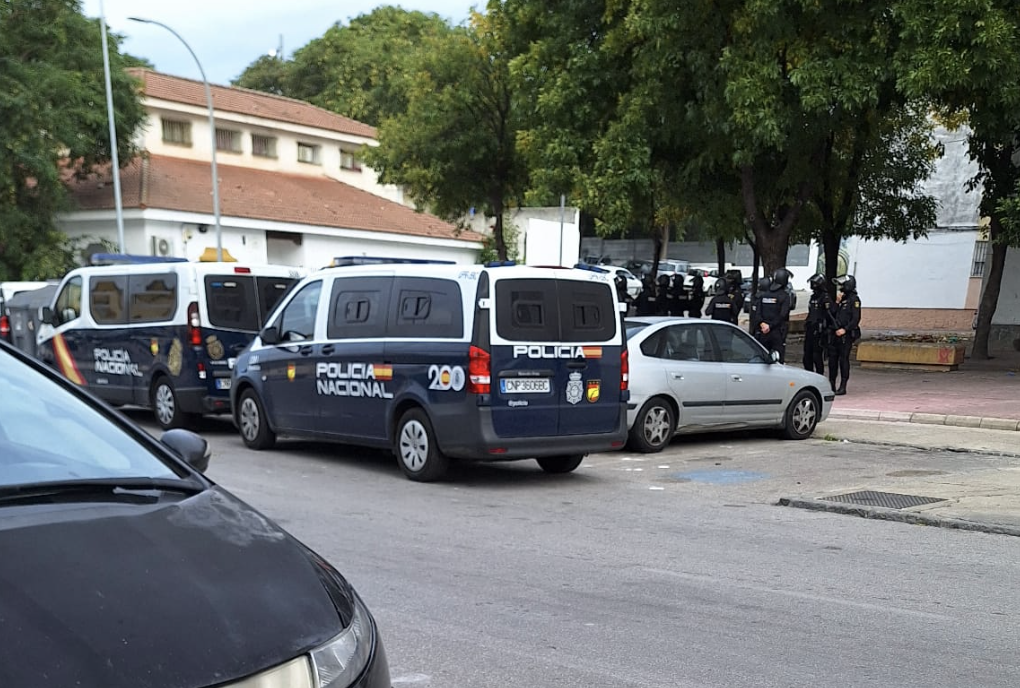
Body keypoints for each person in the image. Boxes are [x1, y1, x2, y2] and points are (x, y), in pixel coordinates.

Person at [829, 275, 862, 395]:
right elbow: (832, 313)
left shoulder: (854, 299)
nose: (841, 287)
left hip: (845, 335)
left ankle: (843, 386)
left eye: (843, 285)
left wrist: (845, 329)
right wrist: (836, 302)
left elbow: (856, 318)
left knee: (843, 360)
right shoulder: (842, 299)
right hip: (835, 334)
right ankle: (831, 383)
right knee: (832, 360)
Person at [754, 269, 792, 362]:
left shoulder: (764, 295)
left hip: (763, 332)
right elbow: (783, 315)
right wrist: (770, 326)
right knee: (777, 360)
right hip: (777, 332)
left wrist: (763, 324)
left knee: (762, 359)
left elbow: (757, 313)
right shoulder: (785, 296)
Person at [803, 273, 833, 374]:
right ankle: (808, 373)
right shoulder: (813, 297)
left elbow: (829, 315)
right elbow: (811, 312)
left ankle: (819, 375)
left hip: (819, 330)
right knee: (807, 355)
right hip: (810, 328)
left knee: (817, 355)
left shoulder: (825, 298)